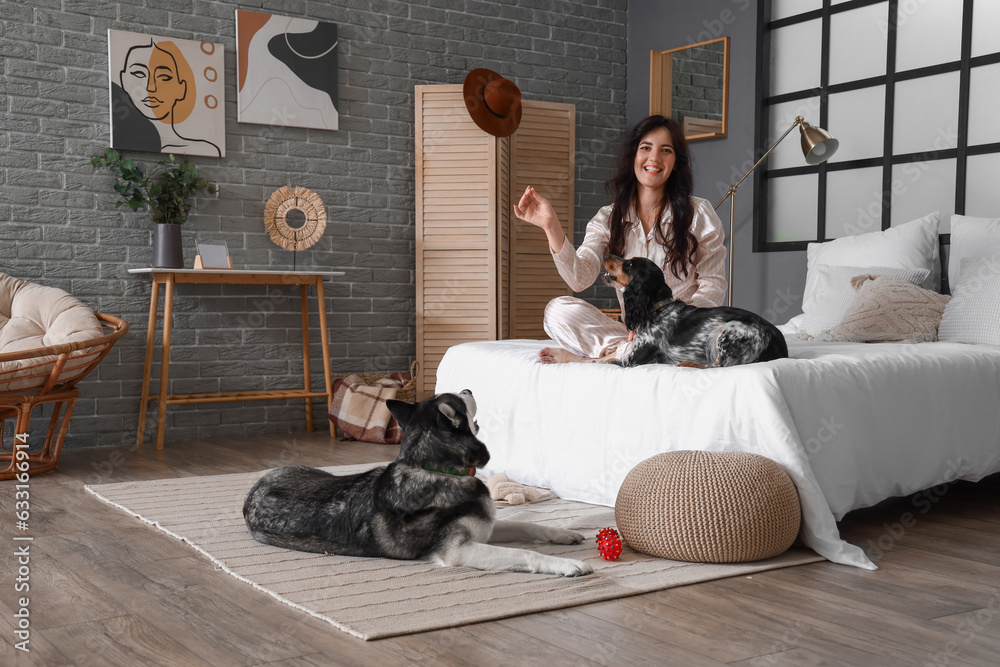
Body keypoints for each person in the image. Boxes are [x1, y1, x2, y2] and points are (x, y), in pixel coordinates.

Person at [513, 114, 728, 364]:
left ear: (676, 162)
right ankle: (636, 351)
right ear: (633, 157)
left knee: (688, 336)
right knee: (557, 312)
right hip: (632, 334)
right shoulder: (607, 218)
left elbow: (713, 288)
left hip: (684, 331)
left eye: (665, 150)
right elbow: (578, 278)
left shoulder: (699, 213)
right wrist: (551, 226)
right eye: (645, 148)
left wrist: (677, 328)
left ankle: (621, 356)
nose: (654, 158)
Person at [116, 39, 222, 157]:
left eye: (164, 77)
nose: (151, 87)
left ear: (181, 89)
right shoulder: (123, 140)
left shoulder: (206, 149)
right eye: (139, 73)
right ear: (123, 80)